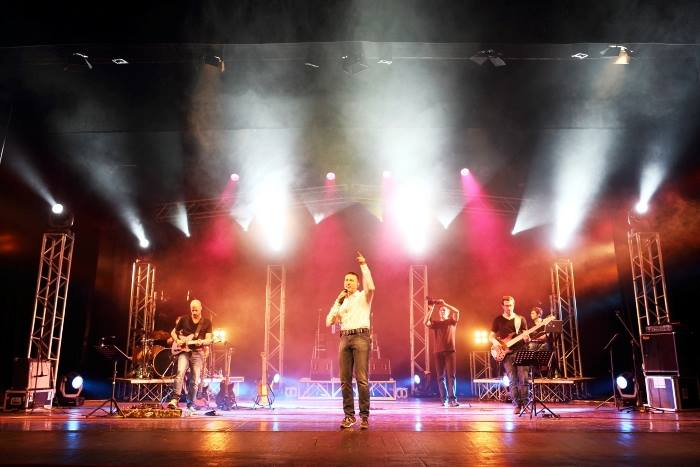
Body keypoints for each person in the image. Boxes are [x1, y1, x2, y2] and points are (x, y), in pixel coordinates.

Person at [326, 251, 375, 430]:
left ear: (357, 283)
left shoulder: (364, 296)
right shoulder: (341, 301)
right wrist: (338, 302)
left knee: (361, 379)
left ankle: (364, 416)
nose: (348, 282)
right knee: (345, 380)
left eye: (351, 280)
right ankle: (349, 416)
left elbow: (372, 287)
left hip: (361, 336)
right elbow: (328, 321)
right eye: (346, 280)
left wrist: (363, 265)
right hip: (345, 338)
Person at [167, 299, 213, 414]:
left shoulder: (207, 322)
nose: (194, 312)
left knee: (194, 379)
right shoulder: (184, 319)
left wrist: (202, 342)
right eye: (192, 310)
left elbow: (208, 339)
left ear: (201, 308)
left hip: (198, 352)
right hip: (184, 351)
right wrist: (178, 340)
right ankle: (174, 399)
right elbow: (173, 332)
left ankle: (190, 404)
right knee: (180, 372)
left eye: (196, 309)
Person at [489, 295, 529, 414]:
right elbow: (490, 336)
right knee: (512, 380)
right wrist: (496, 343)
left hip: (521, 351)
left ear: (513, 305)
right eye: (506, 305)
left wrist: (527, 338)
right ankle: (517, 405)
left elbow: (526, 337)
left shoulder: (520, 319)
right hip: (506, 354)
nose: (509, 308)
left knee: (524, 379)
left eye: (510, 305)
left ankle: (526, 404)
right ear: (502, 306)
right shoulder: (498, 320)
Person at [425, 299, 461, 407]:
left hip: (450, 351)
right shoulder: (436, 323)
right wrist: (431, 309)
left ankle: (452, 399)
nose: (442, 311)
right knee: (440, 377)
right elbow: (425, 322)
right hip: (438, 352)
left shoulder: (451, 321)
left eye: (444, 310)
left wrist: (445, 304)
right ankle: (444, 399)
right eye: (441, 310)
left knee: (451, 376)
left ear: (448, 312)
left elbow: (457, 311)